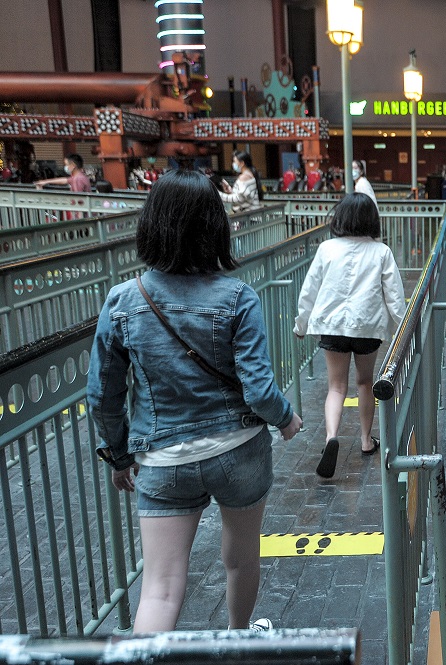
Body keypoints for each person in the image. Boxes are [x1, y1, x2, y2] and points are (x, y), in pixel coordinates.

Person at [87, 170, 303, 633]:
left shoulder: (123, 301)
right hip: (238, 448)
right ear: (215, 227)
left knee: (160, 587)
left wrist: (119, 455)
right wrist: (286, 419)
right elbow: (259, 389)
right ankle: (238, 638)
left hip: (162, 459)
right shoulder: (238, 298)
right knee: (241, 560)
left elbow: (104, 394)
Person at [294, 193, 405, 478]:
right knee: (365, 382)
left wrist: (301, 324)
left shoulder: (327, 248)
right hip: (367, 327)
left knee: (336, 387)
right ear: (372, 220)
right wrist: (403, 326)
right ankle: (367, 441)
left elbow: (310, 290)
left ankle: (331, 436)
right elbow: (394, 296)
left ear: (340, 217)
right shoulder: (381, 251)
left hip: (331, 326)